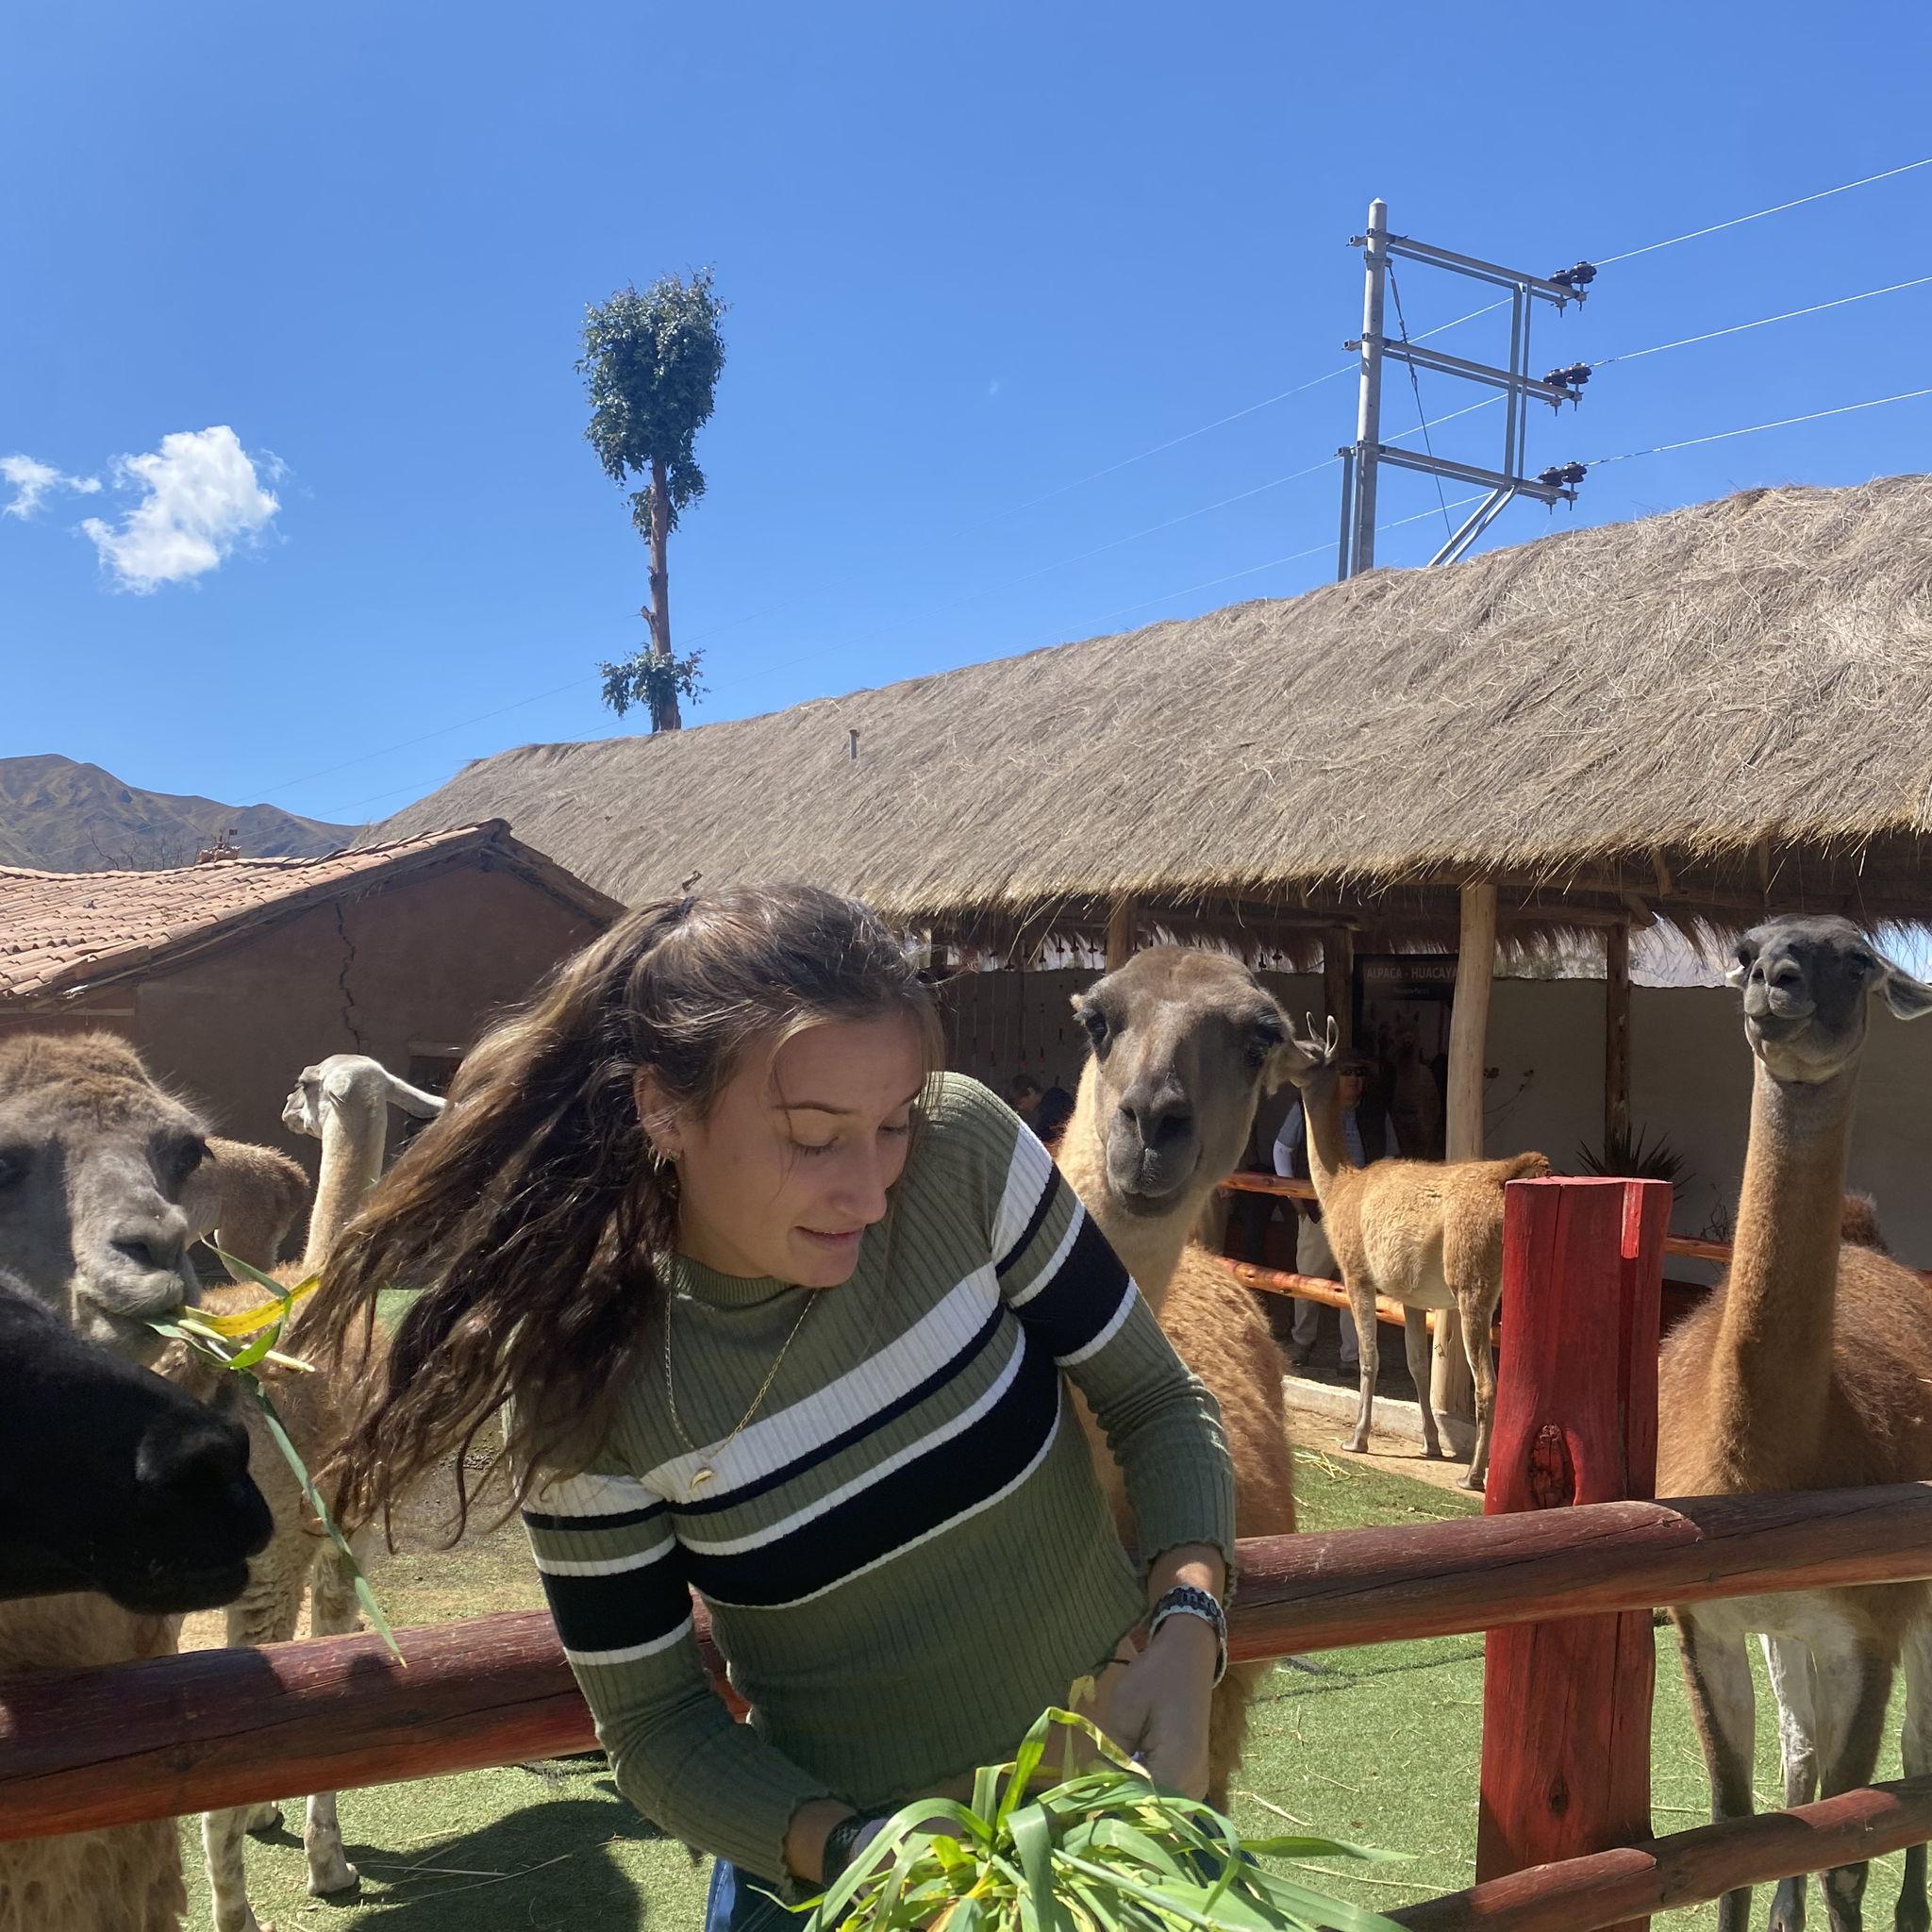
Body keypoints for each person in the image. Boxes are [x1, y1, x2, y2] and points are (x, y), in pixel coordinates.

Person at [309, 885, 1235, 1931]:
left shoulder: (966, 1156)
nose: (872, 1191)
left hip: (1118, 1834)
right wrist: (852, 1850)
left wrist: (1186, 1632)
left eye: (892, 1123)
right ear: (664, 1110)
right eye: (812, 1138)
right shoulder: (591, 1391)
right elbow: (655, 1727)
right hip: (852, 1882)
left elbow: (1158, 1401)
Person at [1271, 1049, 1389, 1376]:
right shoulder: (1309, 1107)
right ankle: (1302, 1342)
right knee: (1308, 1278)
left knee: (1357, 1284)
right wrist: (1293, 1194)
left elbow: (1389, 1157)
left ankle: (1352, 1355)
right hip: (1319, 1209)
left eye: (1359, 1074)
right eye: (1347, 1072)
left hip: (1362, 1212)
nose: (1354, 1080)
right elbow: (1282, 1148)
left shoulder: (1375, 1114)